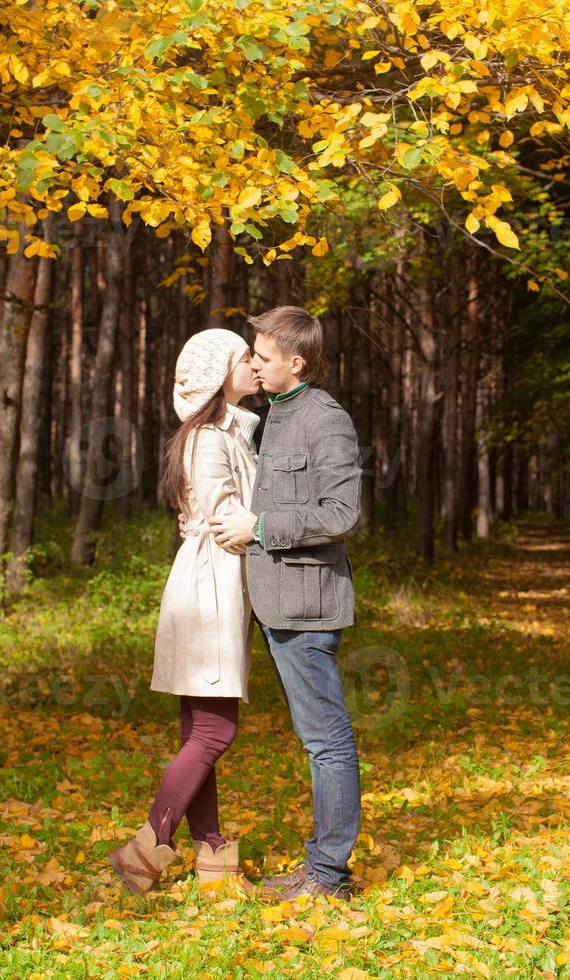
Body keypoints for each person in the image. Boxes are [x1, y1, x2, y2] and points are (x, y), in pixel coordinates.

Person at [208, 305, 364, 902]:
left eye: (263, 357)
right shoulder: (274, 414)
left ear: (296, 363)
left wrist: (262, 525)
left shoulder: (325, 420)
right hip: (276, 603)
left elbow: (342, 513)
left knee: (327, 740)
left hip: (307, 606)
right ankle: (323, 866)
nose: (253, 363)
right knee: (316, 738)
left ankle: (328, 876)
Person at [106, 328, 262, 897]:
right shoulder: (210, 439)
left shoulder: (226, 431)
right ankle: (147, 846)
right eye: (245, 356)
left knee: (201, 729)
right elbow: (228, 524)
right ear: (221, 373)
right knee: (215, 731)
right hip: (210, 589)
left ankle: (214, 858)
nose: (254, 363)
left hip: (211, 585)